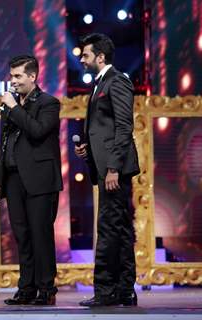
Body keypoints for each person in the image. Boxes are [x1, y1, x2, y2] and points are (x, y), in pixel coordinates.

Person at [0, 55, 63, 306]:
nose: (13, 80)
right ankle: (26, 288)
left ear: (32, 76)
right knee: (22, 235)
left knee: (40, 233)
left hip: (40, 179)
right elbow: (5, 144)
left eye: (18, 76)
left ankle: (46, 289)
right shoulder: (11, 106)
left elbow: (38, 130)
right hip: (13, 178)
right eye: (12, 76)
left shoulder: (48, 103)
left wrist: (14, 108)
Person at [75, 33, 140, 307]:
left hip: (115, 170)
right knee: (120, 229)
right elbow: (104, 128)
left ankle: (105, 291)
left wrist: (113, 167)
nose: (81, 58)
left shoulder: (117, 81)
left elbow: (124, 127)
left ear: (100, 57)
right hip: (106, 166)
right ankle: (125, 289)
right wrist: (88, 148)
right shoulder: (100, 83)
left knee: (109, 227)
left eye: (86, 54)